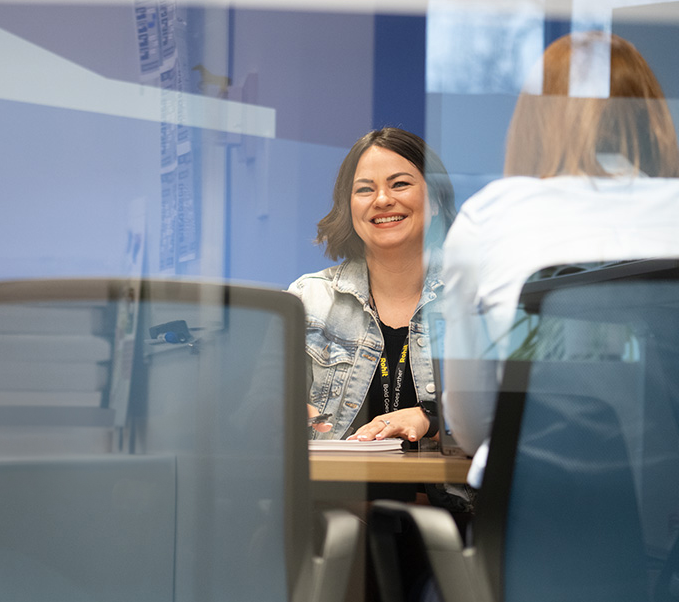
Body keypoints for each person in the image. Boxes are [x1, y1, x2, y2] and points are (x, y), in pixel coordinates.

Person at [441, 31, 679, 486]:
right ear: (650, 117)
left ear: (536, 120)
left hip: (539, 530)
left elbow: (472, 427)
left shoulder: (491, 218)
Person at [288, 127, 456, 443]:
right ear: (348, 209)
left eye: (400, 184)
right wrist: (286, 415)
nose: (382, 200)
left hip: (445, 493)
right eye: (365, 189)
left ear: (435, 201)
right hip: (335, 490)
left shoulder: (476, 299)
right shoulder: (308, 300)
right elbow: (260, 410)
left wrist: (432, 418)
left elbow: (506, 416)